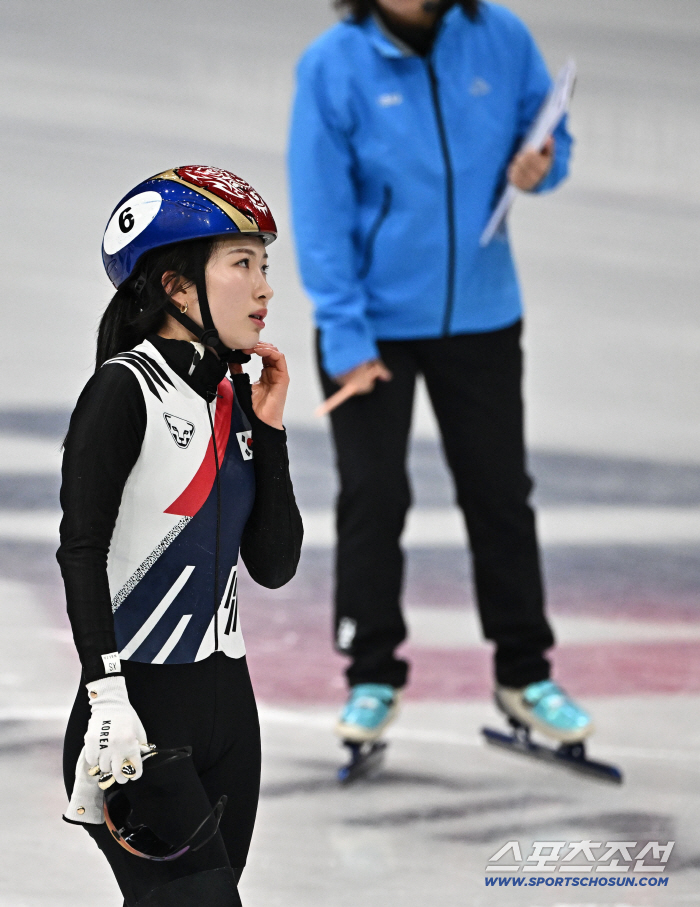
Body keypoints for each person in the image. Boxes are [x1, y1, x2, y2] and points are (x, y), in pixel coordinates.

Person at [288, 0, 593, 750]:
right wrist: (348, 331)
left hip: (484, 313)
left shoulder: (501, 36)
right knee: (374, 493)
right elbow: (318, 212)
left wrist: (544, 163)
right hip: (371, 323)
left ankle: (525, 672)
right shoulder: (333, 64)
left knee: (499, 493)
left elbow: (550, 140)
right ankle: (372, 672)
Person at [58, 165, 303, 906]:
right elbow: (80, 549)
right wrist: (106, 697)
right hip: (138, 715)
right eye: (242, 264)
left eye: (265, 265)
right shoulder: (122, 389)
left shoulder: (234, 398)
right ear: (175, 285)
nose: (264, 288)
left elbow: (274, 563)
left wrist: (270, 430)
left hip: (232, 709)